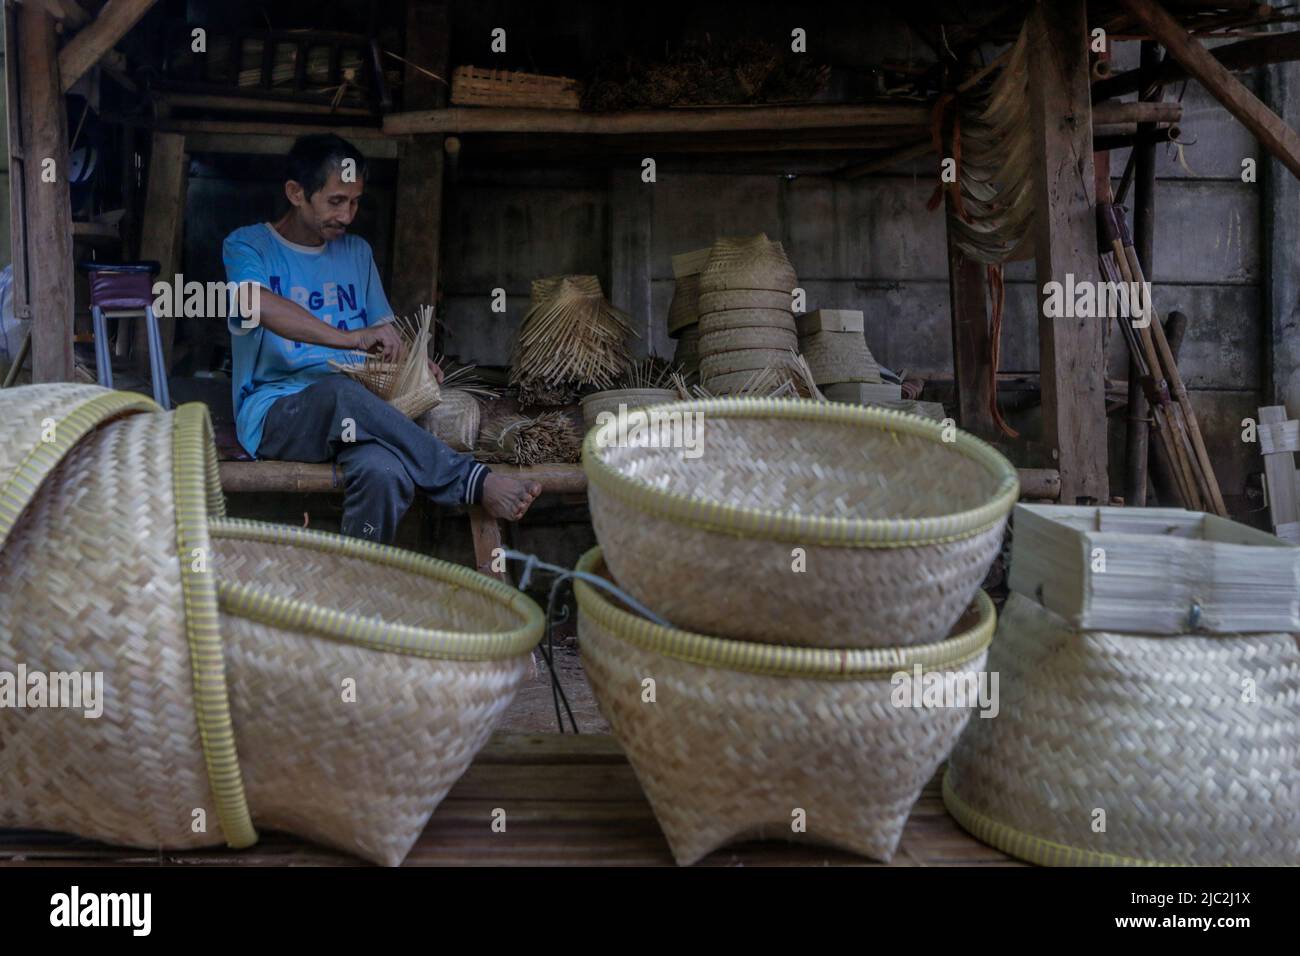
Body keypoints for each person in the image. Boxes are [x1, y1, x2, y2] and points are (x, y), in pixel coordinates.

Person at [223, 133, 538, 544]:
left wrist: (412, 366)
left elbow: (386, 338)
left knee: (384, 473)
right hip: (278, 415)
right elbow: (257, 304)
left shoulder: (357, 253)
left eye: (354, 201)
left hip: (359, 417)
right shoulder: (249, 244)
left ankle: (359, 586)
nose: (348, 215)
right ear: (296, 192)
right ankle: (471, 480)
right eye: (336, 200)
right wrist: (348, 338)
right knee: (339, 392)